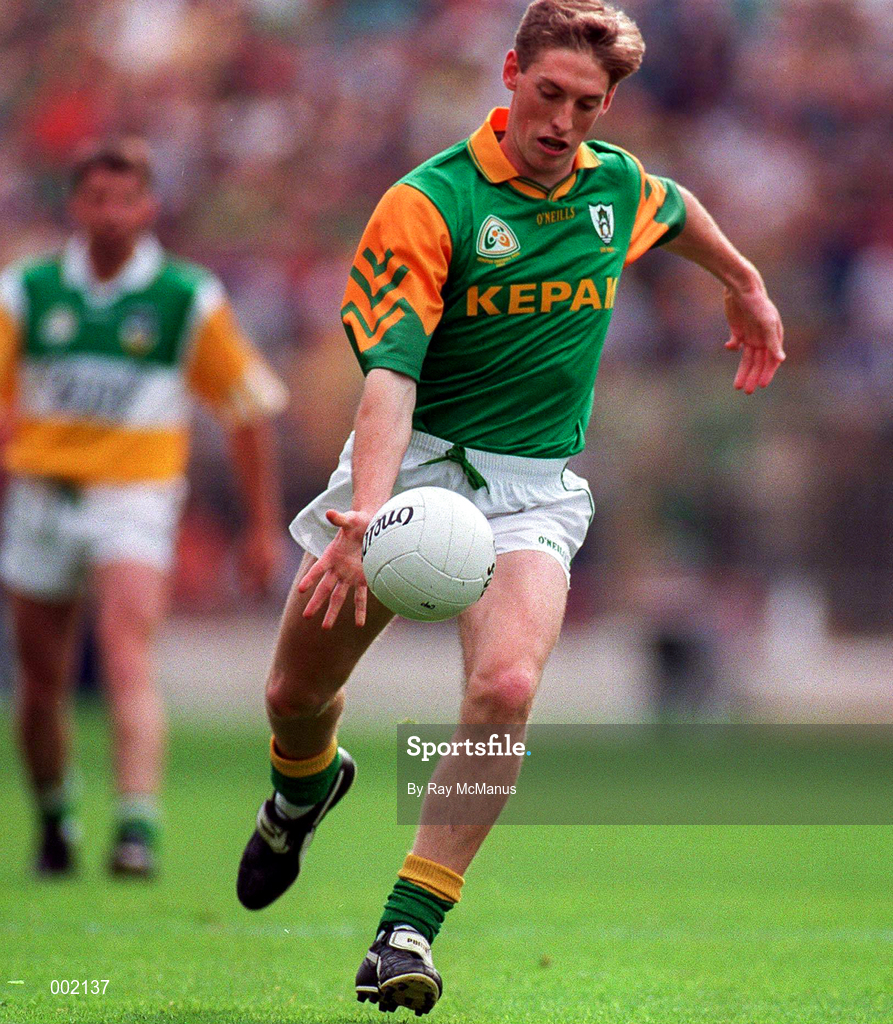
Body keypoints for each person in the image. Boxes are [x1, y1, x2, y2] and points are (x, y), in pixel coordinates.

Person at [235, 0, 784, 1015]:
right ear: (507, 74)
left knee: (504, 683)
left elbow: (673, 204)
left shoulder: (611, 187)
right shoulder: (426, 203)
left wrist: (742, 283)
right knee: (290, 699)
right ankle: (300, 792)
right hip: (406, 477)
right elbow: (390, 378)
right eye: (548, 95)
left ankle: (406, 926)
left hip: (531, 489)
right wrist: (363, 514)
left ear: (605, 106)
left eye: (587, 104)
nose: (564, 121)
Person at [0, 139, 288, 879]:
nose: (110, 214)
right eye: (96, 198)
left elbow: (247, 408)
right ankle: (56, 816)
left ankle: (136, 826)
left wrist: (261, 526)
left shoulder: (184, 297)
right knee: (39, 680)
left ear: (149, 207)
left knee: (128, 653)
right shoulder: (27, 291)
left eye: (124, 199)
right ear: (76, 205)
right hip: (41, 494)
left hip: (134, 496)